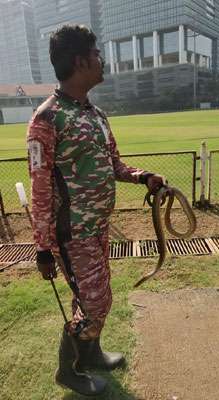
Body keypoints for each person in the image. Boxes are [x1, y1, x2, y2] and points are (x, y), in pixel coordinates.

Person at [26, 24, 165, 396]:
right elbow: (40, 187)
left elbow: (115, 164)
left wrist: (143, 177)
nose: (103, 60)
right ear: (80, 60)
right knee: (96, 301)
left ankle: (93, 354)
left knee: (91, 299)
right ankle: (68, 371)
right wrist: (42, 247)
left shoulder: (95, 114)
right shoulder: (46, 119)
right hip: (71, 234)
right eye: (98, 54)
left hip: (98, 227)